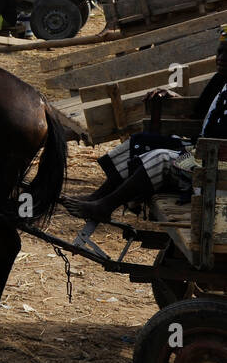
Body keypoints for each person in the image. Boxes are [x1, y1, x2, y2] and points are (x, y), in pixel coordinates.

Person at [70, 33, 227, 225]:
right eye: (220, 52)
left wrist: (200, 151)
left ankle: (106, 206)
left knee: (160, 158)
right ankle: (98, 196)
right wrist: (172, 96)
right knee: (139, 141)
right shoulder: (220, 80)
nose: (221, 58)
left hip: (213, 164)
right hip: (200, 150)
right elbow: (198, 113)